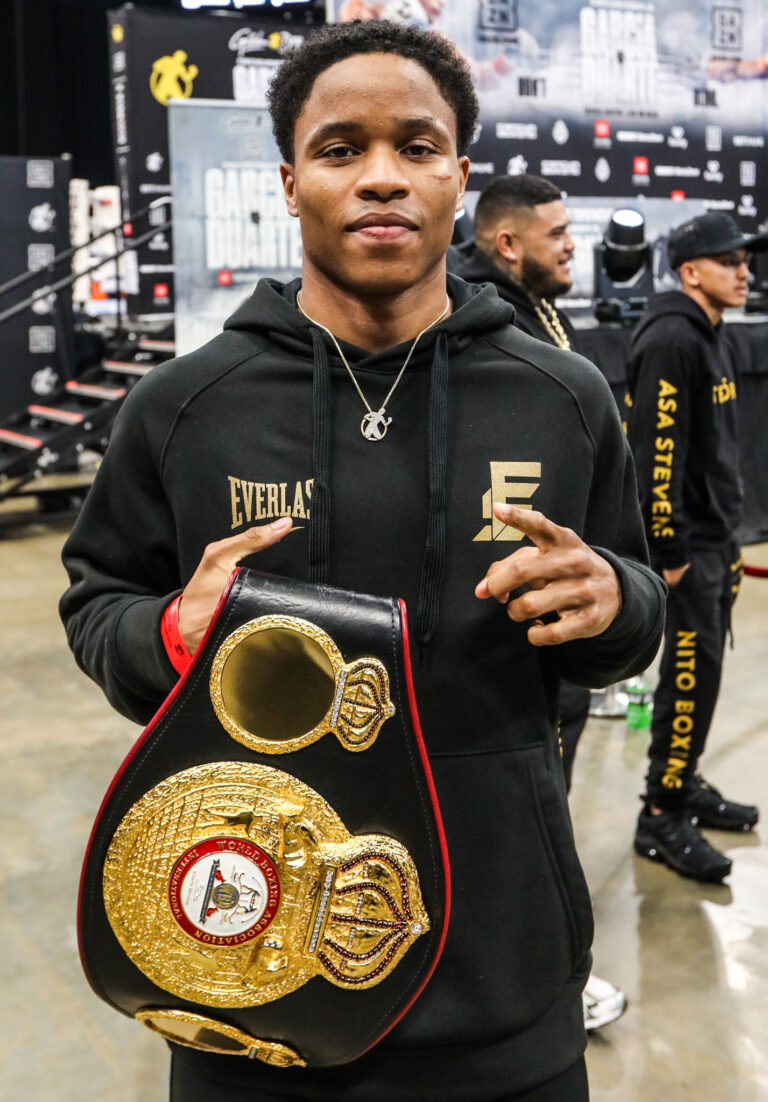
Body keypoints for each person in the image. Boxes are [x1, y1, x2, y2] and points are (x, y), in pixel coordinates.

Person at [61, 20, 664, 1102]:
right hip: (246, 979)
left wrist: (613, 598)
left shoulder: (563, 399)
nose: (382, 176)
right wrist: (167, 638)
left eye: (418, 147)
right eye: (342, 149)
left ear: (460, 177)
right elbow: (98, 600)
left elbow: (637, 601)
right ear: (291, 182)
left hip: (505, 983)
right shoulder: (181, 408)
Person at [457, 172, 627, 1033]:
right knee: (515, 819)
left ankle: (540, 972)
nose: (573, 247)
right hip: (502, 637)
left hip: (554, 623)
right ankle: (540, 984)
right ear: (507, 243)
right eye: (557, 235)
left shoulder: (538, 322)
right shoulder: (481, 334)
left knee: (541, 807)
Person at [628, 211, 763, 882]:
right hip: (689, 557)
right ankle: (661, 813)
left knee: (703, 684)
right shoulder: (671, 340)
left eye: (746, 258)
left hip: (720, 545)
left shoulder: (712, 333)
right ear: (689, 271)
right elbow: (656, 458)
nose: (745, 270)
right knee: (685, 685)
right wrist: (671, 551)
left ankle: (685, 781)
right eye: (729, 260)